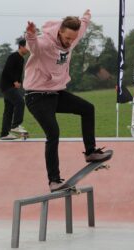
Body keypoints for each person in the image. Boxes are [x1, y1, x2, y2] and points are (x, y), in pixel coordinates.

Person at [23, 9, 112, 191]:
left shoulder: (74, 36)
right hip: (36, 96)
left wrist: (86, 17)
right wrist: (31, 35)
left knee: (88, 108)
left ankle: (90, 152)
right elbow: (34, 47)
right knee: (53, 133)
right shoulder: (46, 43)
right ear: (60, 32)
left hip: (56, 93)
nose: (70, 42)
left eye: (73, 39)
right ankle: (54, 180)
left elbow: (84, 26)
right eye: (67, 38)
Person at [0, 39, 29, 140]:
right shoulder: (13, 56)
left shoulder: (21, 59)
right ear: (21, 46)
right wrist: (14, 81)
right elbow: (7, 70)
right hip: (7, 86)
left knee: (9, 110)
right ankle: (15, 126)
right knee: (20, 102)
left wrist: (19, 81)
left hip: (11, 86)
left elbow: (19, 72)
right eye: (27, 46)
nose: (28, 49)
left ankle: (4, 134)